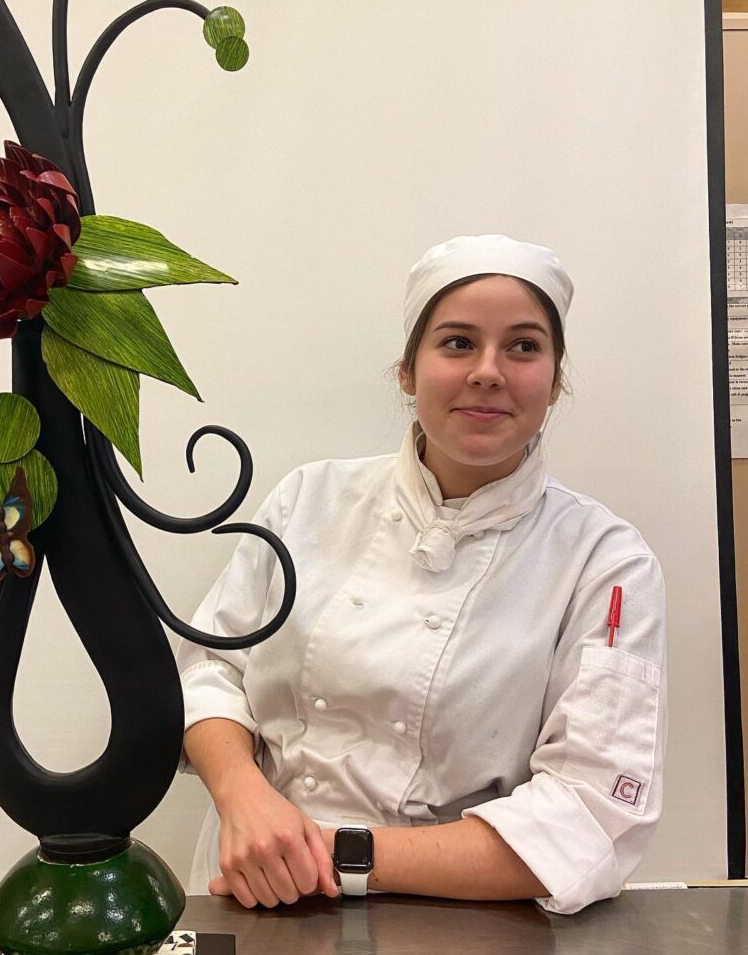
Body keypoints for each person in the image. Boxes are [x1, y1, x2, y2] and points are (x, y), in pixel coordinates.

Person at [177, 234, 666, 915]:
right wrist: (245, 798)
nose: (488, 372)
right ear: (407, 371)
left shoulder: (604, 561)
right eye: (458, 343)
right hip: (258, 889)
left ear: (555, 381)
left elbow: (588, 813)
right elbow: (209, 670)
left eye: (523, 347)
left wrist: (336, 852)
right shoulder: (308, 500)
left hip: (456, 914)